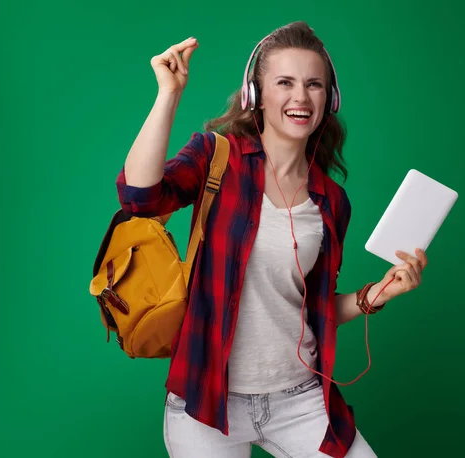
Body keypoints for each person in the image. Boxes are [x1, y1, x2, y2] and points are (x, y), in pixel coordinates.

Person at [116, 21, 428, 458]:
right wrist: (168, 95)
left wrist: (377, 294)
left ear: (329, 100)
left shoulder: (332, 201)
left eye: (314, 85)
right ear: (255, 96)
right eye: (285, 83)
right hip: (206, 400)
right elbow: (138, 197)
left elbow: (315, 308)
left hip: (299, 400)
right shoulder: (215, 158)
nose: (301, 98)